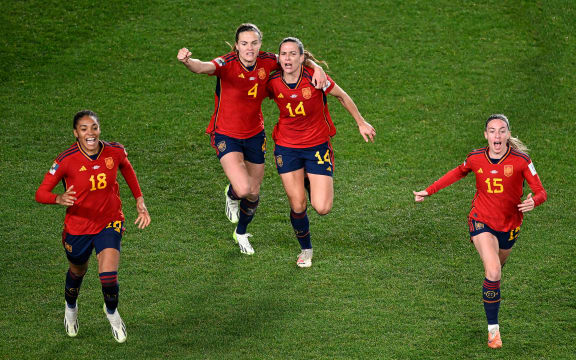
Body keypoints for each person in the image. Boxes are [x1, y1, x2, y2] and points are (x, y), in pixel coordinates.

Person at [176, 24, 327, 255]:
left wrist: (316, 67)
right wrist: (188, 61)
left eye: (254, 43)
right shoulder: (226, 64)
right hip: (226, 134)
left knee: (254, 192)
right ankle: (232, 194)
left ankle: (241, 232)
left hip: (255, 134)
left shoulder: (269, 60)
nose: (250, 48)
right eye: (244, 43)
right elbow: (202, 67)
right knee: (244, 187)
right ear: (236, 45)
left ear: (260, 44)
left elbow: (295, 58)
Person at [413, 114, 547, 349]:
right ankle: (493, 331)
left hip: (510, 225)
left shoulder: (522, 161)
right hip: (481, 220)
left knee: (496, 269)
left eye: (502, 130)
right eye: (492, 131)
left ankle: (491, 287)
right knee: (494, 270)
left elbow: (540, 192)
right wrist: (429, 190)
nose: (497, 135)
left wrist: (534, 201)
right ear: (486, 135)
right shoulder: (475, 158)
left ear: (508, 134)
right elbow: (457, 172)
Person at [35, 110, 151, 343]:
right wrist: (58, 198)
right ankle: (70, 308)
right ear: (75, 133)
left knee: (108, 277)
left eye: (94, 127)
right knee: (77, 271)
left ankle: (112, 314)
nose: (90, 133)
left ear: (99, 129)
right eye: (84, 129)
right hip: (77, 228)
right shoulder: (65, 159)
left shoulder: (114, 151)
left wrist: (139, 200)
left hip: (109, 222)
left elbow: (126, 167)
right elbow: (41, 193)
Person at [266, 37, 376, 267]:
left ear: (302, 57)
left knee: (323, 207)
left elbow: (342, 96)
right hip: (286, 147)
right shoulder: (272, 79)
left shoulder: (315, 78)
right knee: (298, 205)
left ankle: (308, 178)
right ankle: (306, 249)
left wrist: (361, 122)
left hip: (316, 146)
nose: (288, 58)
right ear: (279, 57)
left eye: (293, 54)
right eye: (283, 54)